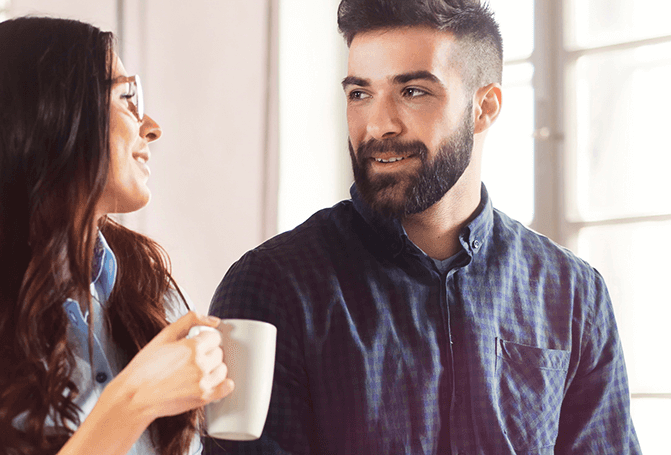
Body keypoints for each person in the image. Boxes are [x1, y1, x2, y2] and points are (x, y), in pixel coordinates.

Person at [205, 0, 640, 453]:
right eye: (360, 93)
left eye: (412, 91)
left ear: (484, 107)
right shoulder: (270, 289)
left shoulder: (573, 294)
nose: (378, 124)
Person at [0, 17, 232, 455]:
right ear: (52, 120)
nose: (152, 126)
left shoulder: (148, 288)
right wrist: (133, 400)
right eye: (126, 97)